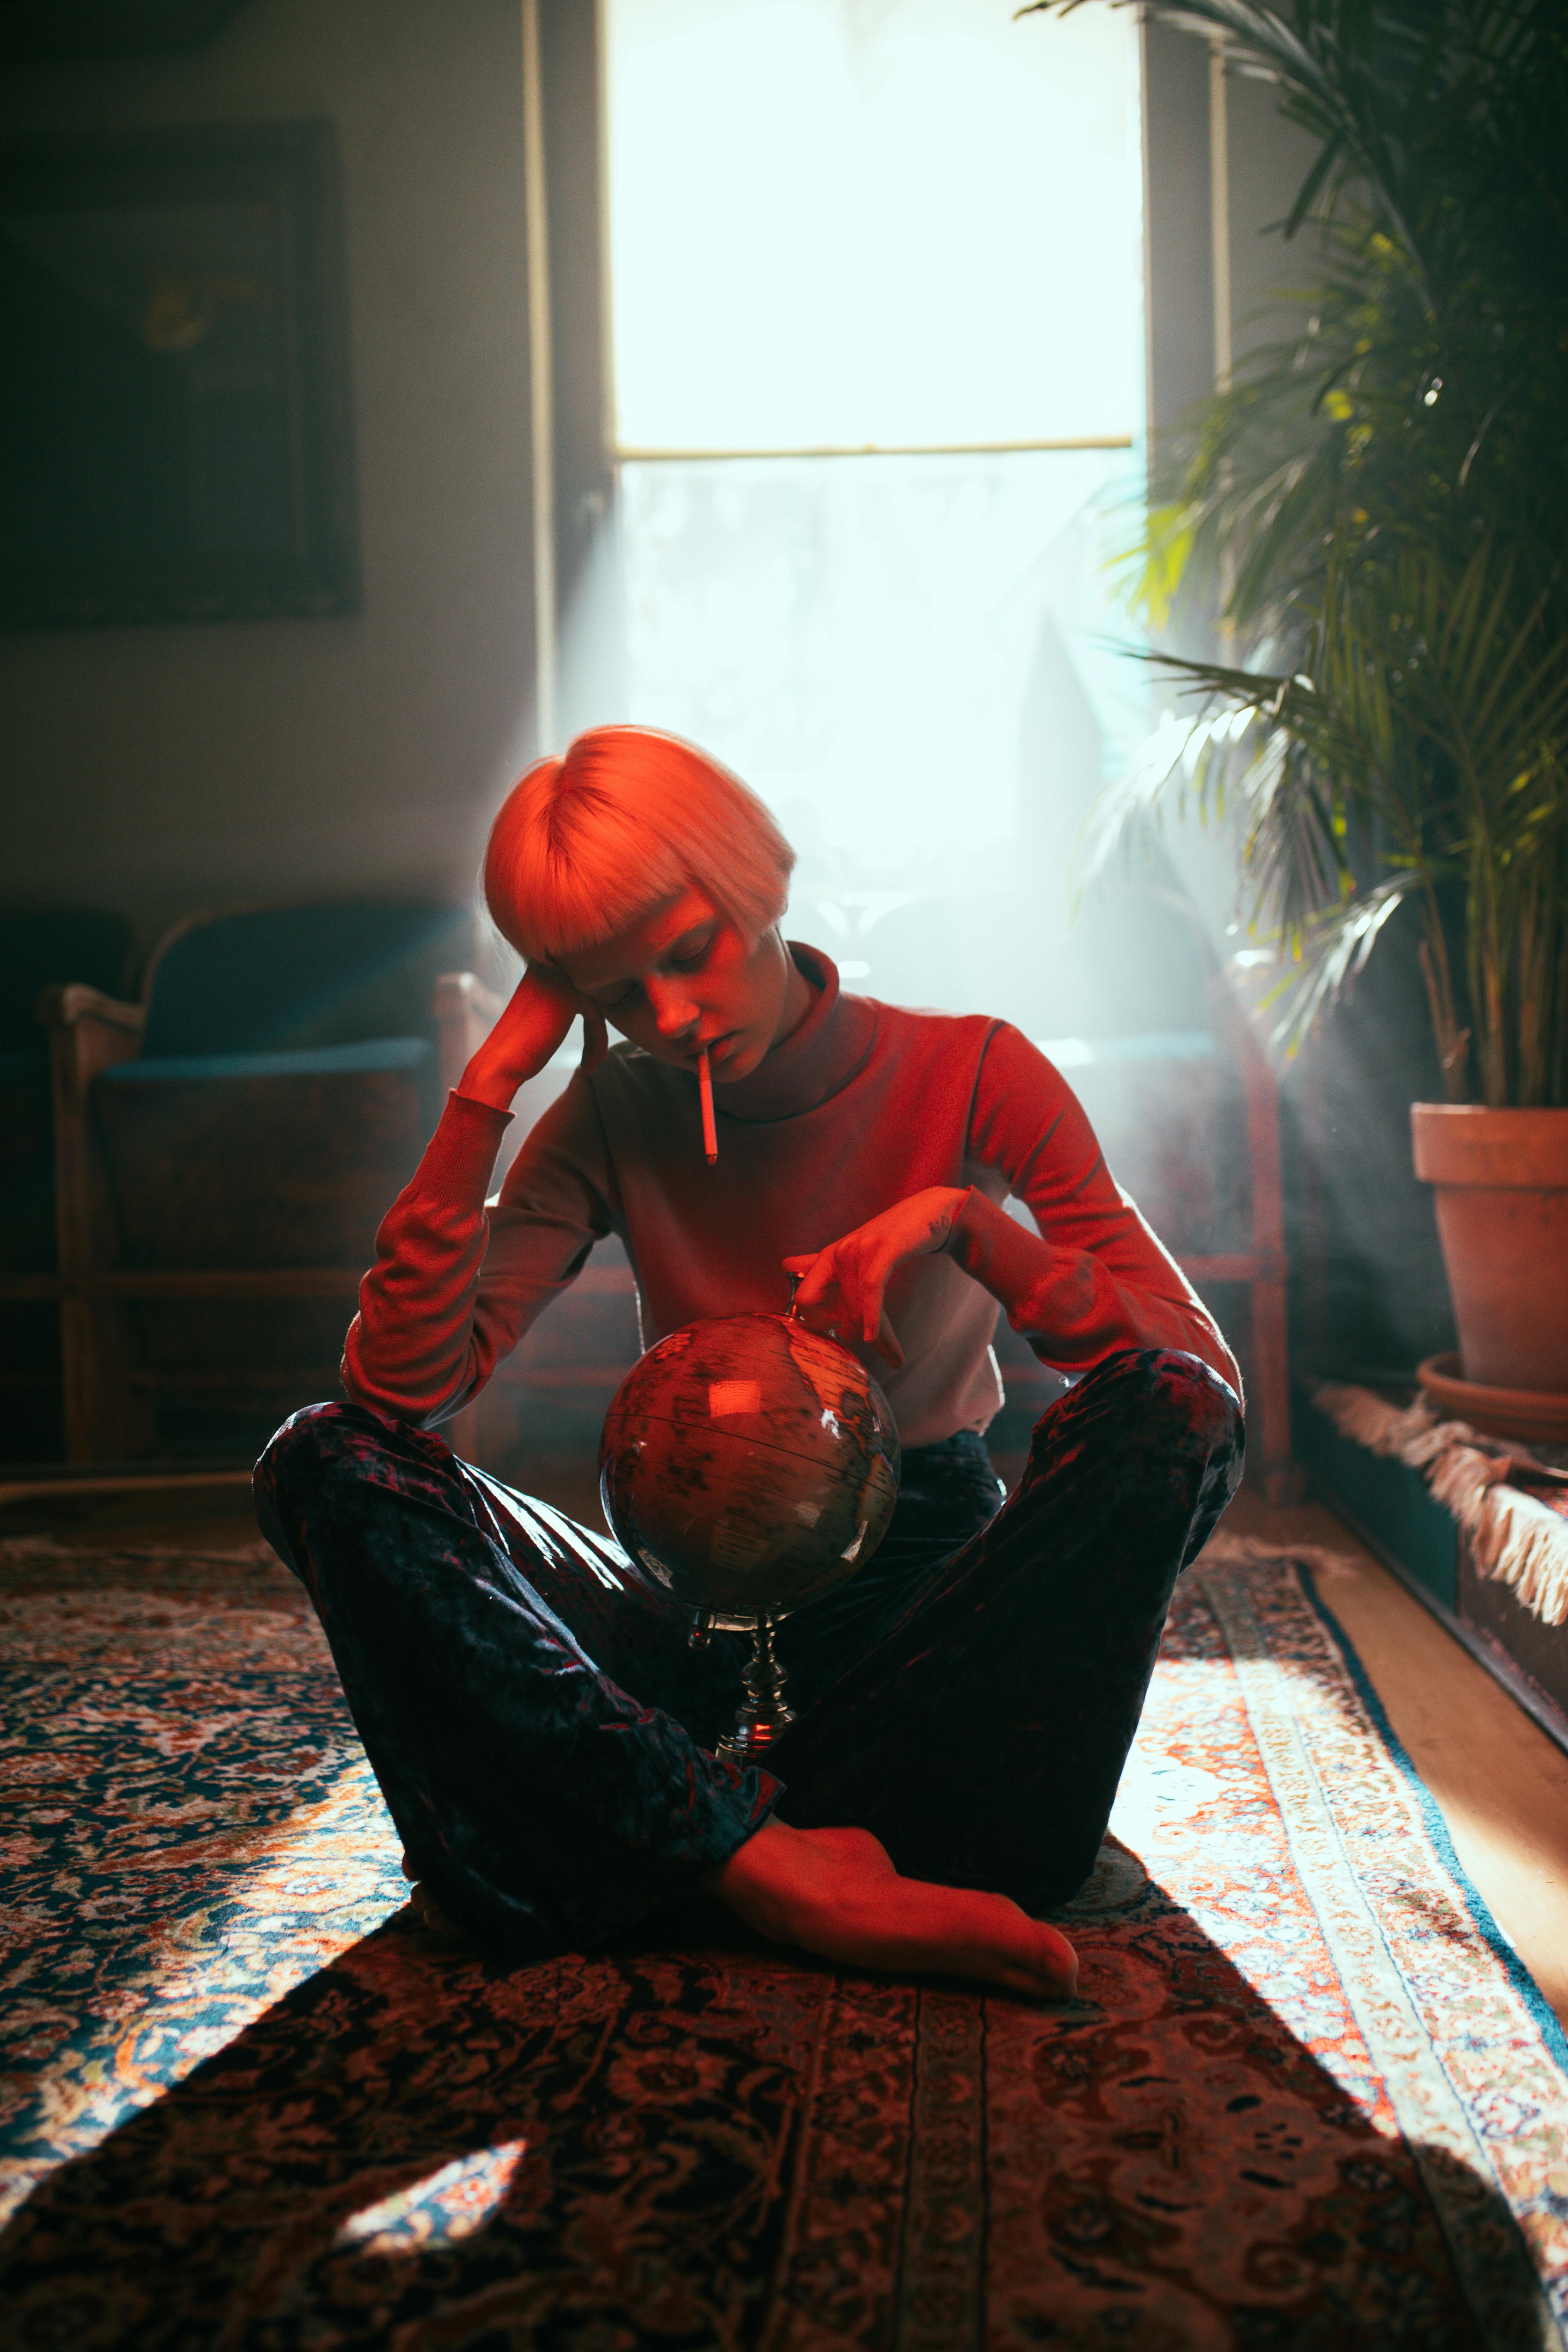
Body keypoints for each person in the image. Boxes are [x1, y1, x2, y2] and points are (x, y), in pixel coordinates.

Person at [255, 726, 1244, 2002]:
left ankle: (660, 1836)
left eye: (688, 953)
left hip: (924, 1608)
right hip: (684, 1614)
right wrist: (490, 1087)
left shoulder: (976, 1069)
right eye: (615, 996)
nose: (666, 1018)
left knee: (1163, 1405)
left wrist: (960, 1224)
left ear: (758, 888)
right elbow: (397, 1394)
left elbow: (1195, 1388)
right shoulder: (615, 1110)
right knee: (321, 1461)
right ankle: (777, 1867)